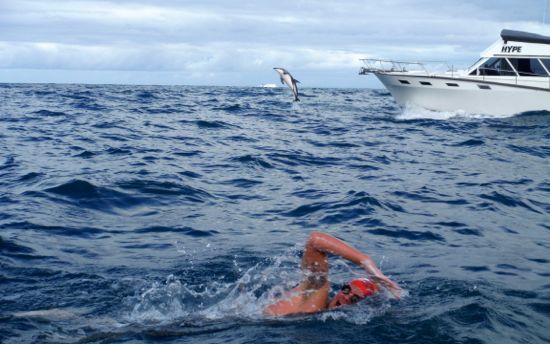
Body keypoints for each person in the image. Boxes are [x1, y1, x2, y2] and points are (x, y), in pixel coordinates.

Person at [263, 231, 402, 316]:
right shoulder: (317, 292)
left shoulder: (321, 310)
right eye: (347, 290)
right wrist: (366, 263)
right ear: (341, 289)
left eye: (355, 299)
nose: (346, 297)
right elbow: (315, 240)